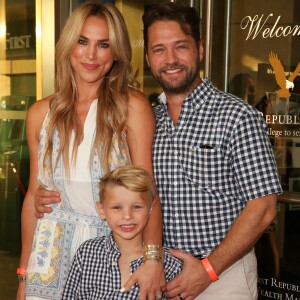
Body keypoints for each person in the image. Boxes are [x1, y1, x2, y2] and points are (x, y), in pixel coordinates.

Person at [134, 2, 282, 300]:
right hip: (161, 277)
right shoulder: (148, 121)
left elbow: (263, 207)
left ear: (199, 50)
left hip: (223, 278)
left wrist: (208, 270)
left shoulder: (238, 116)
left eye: (181, 47)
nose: (171, 59)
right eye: (159, 49)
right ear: (149, 58)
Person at [16, 2, 163, 299]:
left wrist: (153, 258)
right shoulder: (39, 113)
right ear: (69, 45)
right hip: (50, 251)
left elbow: (149, 191)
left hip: (110, 249)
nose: (91, 55)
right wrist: (23, 275)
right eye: (82, 41)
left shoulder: (131, 107)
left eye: (103, 44)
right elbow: (34, 196)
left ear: (116, 53)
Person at [62, 165, 182, 300]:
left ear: (150, 208)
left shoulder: (170, 264)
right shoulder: (87, 253)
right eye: (117, 207)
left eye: (136, 207)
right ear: (101, 210)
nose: (127, 216)